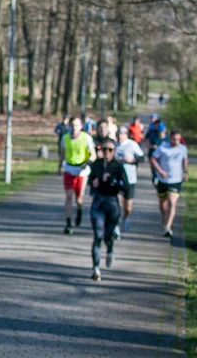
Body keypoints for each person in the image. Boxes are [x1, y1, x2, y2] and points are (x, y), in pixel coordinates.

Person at [87, 138, 130, 281]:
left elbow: (126, 187)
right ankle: (96, 268)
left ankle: (110, 250)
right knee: (97, 235)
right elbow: (90, 180)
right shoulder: (96, 165)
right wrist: (93, 183)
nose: (106, 152)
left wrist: (113, 181)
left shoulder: (117, 166)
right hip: (98, 202)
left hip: (112, 203)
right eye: (103, 149)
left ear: (114, 151)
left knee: (107, 236)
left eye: (109, 150)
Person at [58, 116, 96, 235]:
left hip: (81, 170)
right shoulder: (65, 138)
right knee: (69, 196)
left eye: (76, 125)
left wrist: (87, 163)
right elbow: (62, 154)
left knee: (79, 198)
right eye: (72, 125)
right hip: (69, 168)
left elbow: (93, 155)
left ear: (81, 126)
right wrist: (59, 166)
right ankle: (68, 223)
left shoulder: (86, 138)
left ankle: (80, 209)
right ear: (69, 126)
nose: (74, 128)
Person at [152, 129, 188, 238]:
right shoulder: (163, 148)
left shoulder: (183, 149)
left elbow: (185, 160)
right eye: (173, 139)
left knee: (172, 202)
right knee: (163, 203)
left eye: (178, 139)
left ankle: (168, 227)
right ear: (170, 138)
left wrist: (185, 171)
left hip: (176, 180)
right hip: (163, 180)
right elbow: (153, 158)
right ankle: (165, 216)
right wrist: (160, 171)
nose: (175, 141)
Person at [115, 126, 145, 232]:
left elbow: (142, 157)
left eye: (122, 133)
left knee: (128, 207)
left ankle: (125, 218)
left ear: (126, 134)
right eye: (118, 133)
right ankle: (116, 226)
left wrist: (133, 159)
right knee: (117, 203)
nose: (120, 135)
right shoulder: (113, 145)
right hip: (117, 180)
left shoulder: (132, 144)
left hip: (130, 178)